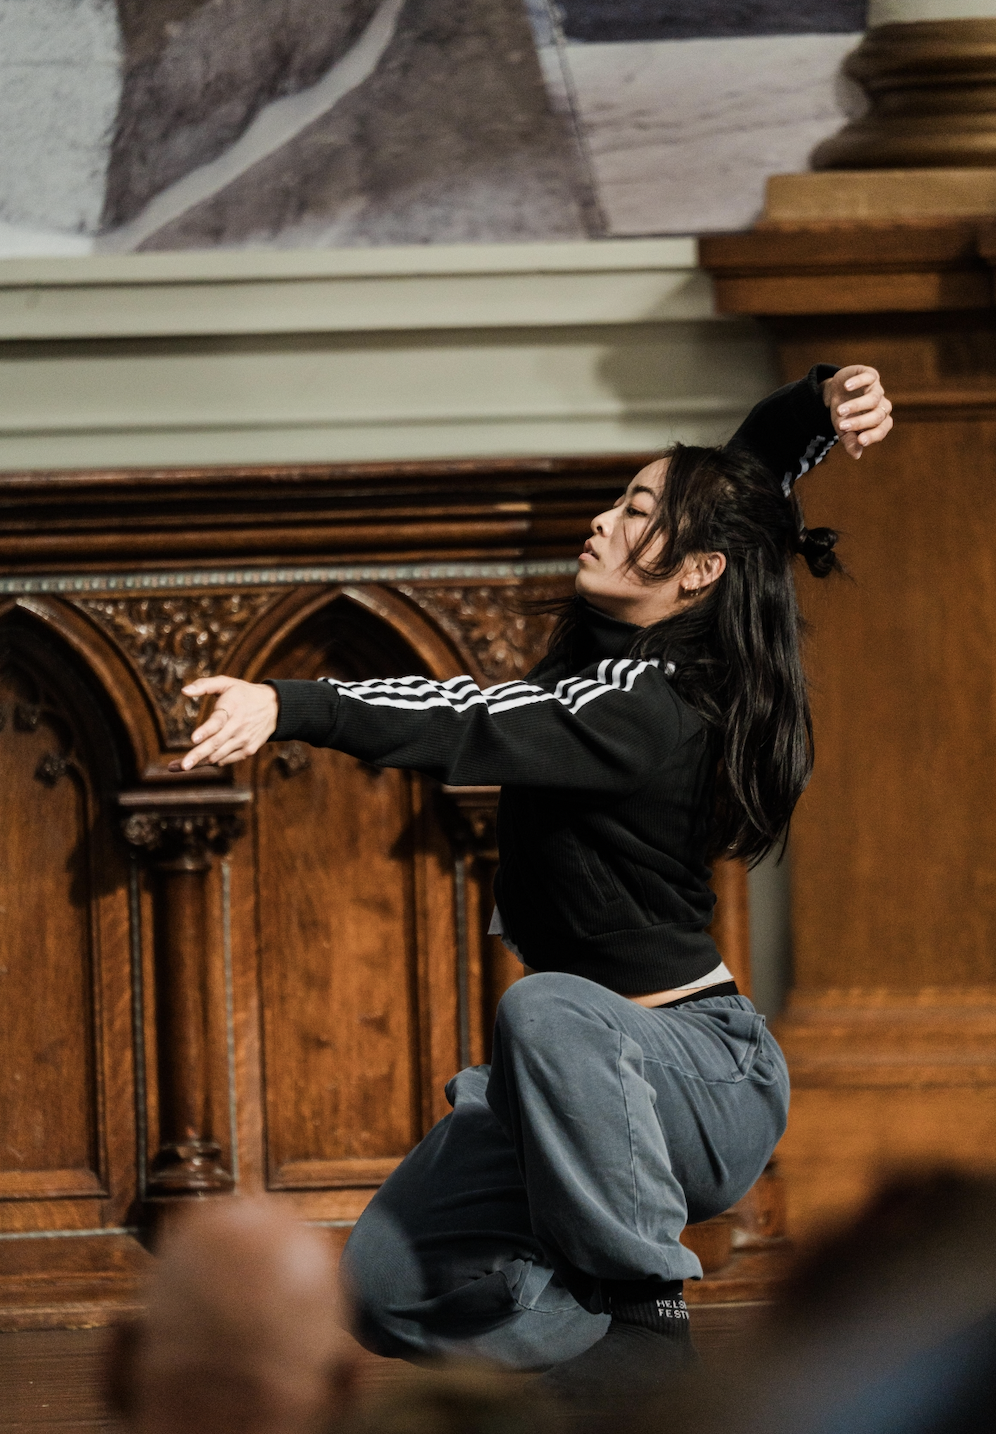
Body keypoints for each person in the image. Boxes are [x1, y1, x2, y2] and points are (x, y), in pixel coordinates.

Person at [174, 364, 893, 1397]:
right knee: (388, 1287)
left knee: (547, 1006)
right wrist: (821, 403)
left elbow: (468, 713)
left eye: (637, 511)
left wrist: (294, 706)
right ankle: (595, 1358)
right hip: (582, 1087)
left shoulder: (653, 704)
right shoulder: (635, 660)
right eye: (617, 502)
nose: (601, 522)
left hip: (696, 1076)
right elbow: (742, 487)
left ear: (696, 574)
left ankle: (652, 1327)